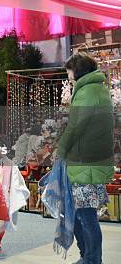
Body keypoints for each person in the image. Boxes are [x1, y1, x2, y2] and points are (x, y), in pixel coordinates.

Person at [57, 53, 114, 264]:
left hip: (85, 162)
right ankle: (87, 257)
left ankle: (92, 260)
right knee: (82, 214)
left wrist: (61, 150)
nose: (69, 77)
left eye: (69, 72)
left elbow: (76, 126)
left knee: (86, 216)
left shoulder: (87, 92)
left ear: (78, 70)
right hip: (90, 159)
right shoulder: (96, 89)